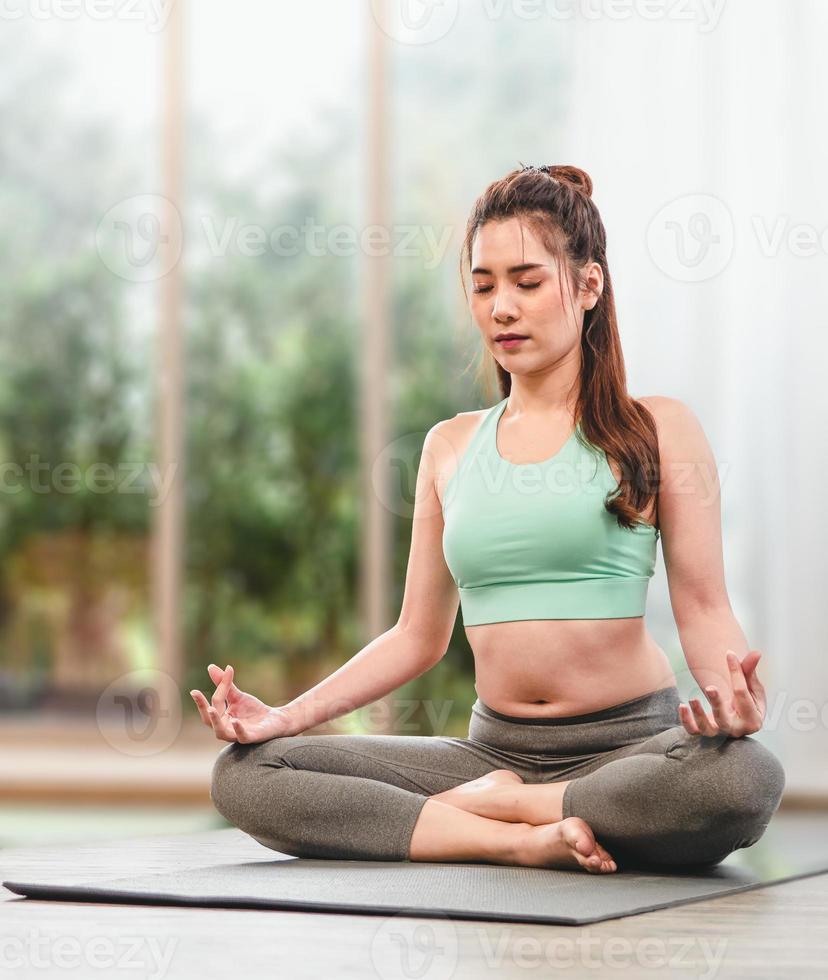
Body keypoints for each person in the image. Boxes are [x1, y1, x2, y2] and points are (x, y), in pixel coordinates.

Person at [192, 164, 785, 874]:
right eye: (483, 285)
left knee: (743, 779)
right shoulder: (451, 445)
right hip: (488, 754)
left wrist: (731, 698)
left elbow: (704, 605)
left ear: (588, 285)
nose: (502, 307)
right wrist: (284, 717)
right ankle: (512, 834)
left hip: (632, 749)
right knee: (247, 773)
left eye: (528, 282)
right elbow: (416, 637)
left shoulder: (658, 428)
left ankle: (518, 808)